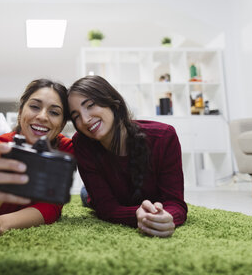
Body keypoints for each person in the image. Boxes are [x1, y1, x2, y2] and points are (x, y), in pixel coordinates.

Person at [68, 75, 187, 238]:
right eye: (76, 116)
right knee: (86, 196)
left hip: (150, 200)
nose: (85, 119)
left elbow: (176, 203)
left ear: (113, 104)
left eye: (90, 105)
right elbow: (106, 209)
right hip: (106, 194)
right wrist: (137, 214)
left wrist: (167, 217)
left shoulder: (164, 137)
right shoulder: (82, 143)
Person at [0, 79, 73, 237]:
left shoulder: (66, 149)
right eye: (35, 106)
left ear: (62, 123)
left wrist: (5, 222)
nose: (42, 116)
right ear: (21, 111)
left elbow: (51, 207)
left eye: (54, 112)